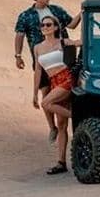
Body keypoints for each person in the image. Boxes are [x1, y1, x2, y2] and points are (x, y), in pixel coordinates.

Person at [14, 0, 79, 142]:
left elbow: (71, 24)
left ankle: (64, 123)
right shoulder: (26, 15)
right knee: (46, 93)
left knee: (60, 95)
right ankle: (52, 127)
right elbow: (19, 35)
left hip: (60, 56)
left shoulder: (56, 10)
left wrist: (83, 12)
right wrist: (18, 55)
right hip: (42, 59)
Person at [33, 15, 81, 175]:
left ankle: (77, 116)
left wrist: (82, 14)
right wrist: (34, 93)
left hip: (66, 78)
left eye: (48, 24)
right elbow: (38, 71)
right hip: (53, 81)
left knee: (46, 104)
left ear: (55, 27)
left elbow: (79, 42)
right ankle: (61, 162)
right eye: (42, 25)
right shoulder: (37, 47)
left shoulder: (63, 42)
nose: (44, 27)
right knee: (61, 125)